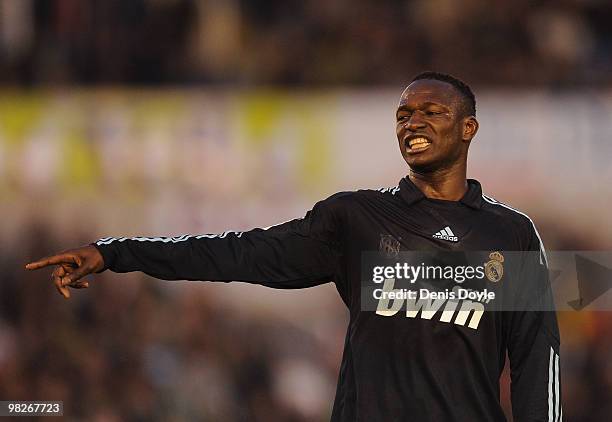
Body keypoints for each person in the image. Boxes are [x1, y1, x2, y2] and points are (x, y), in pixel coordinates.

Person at [26, 72, 562, 421]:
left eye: (432, 112)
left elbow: (539, 360)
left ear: (469, 128)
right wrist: (117, 252)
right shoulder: (356, 219)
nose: (413, 122)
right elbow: (239, 253)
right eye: (403, 115)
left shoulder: (511, 235)